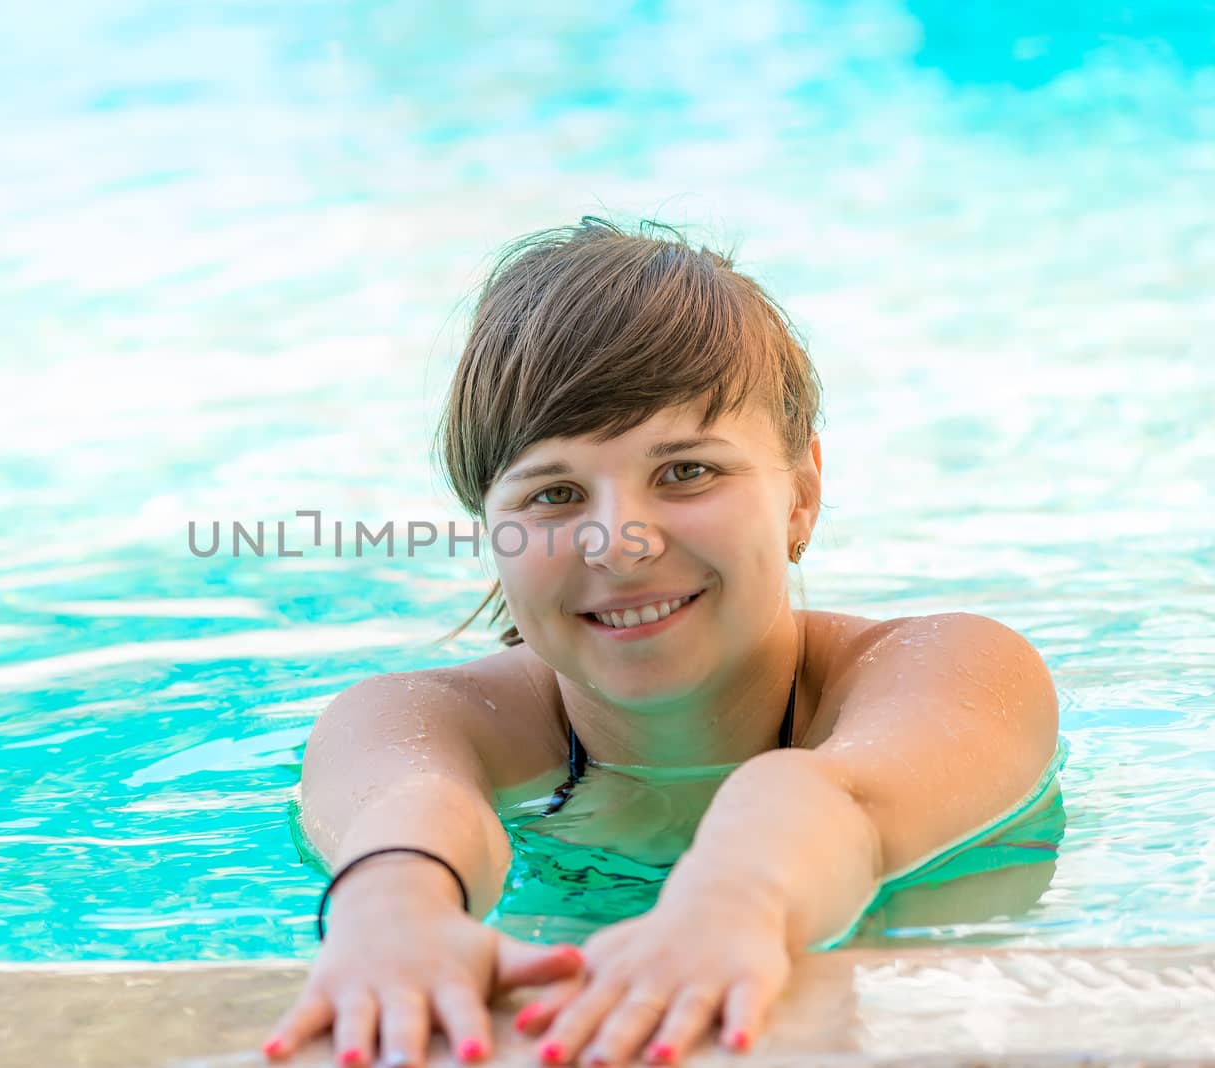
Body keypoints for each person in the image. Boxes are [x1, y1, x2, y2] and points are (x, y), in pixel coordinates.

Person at [262, 218, 1059, 1068]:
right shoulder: (422, 718)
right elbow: (408, 808)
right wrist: (394, 915)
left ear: (801, 494)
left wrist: (735, 898)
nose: (620, 541)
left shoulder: (955, 670)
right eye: (554, 493)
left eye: (687, 472)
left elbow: (840, 804)